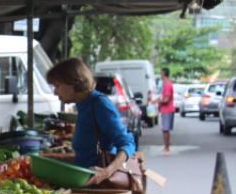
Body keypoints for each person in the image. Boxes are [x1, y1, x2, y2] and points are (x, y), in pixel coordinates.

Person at [46, 58, 136, 186]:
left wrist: (107, 172)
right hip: (81, 180)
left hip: (96, 185)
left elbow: (128, 143)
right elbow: (85, 155)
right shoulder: (82, 105)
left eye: (57, 86)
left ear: (72, 83)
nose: (55, 92)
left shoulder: (100, 104)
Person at [156, 67, 175, 155]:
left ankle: (167, 148)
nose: (160, 74)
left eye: (161, 73)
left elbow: (166, 99)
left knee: (165, 129)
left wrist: (156, 101)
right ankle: (166, 147)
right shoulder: (165, 84)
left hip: (167, 110)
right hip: (166, 110)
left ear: (163, 73)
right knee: (165, 129)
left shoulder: (167, 84)